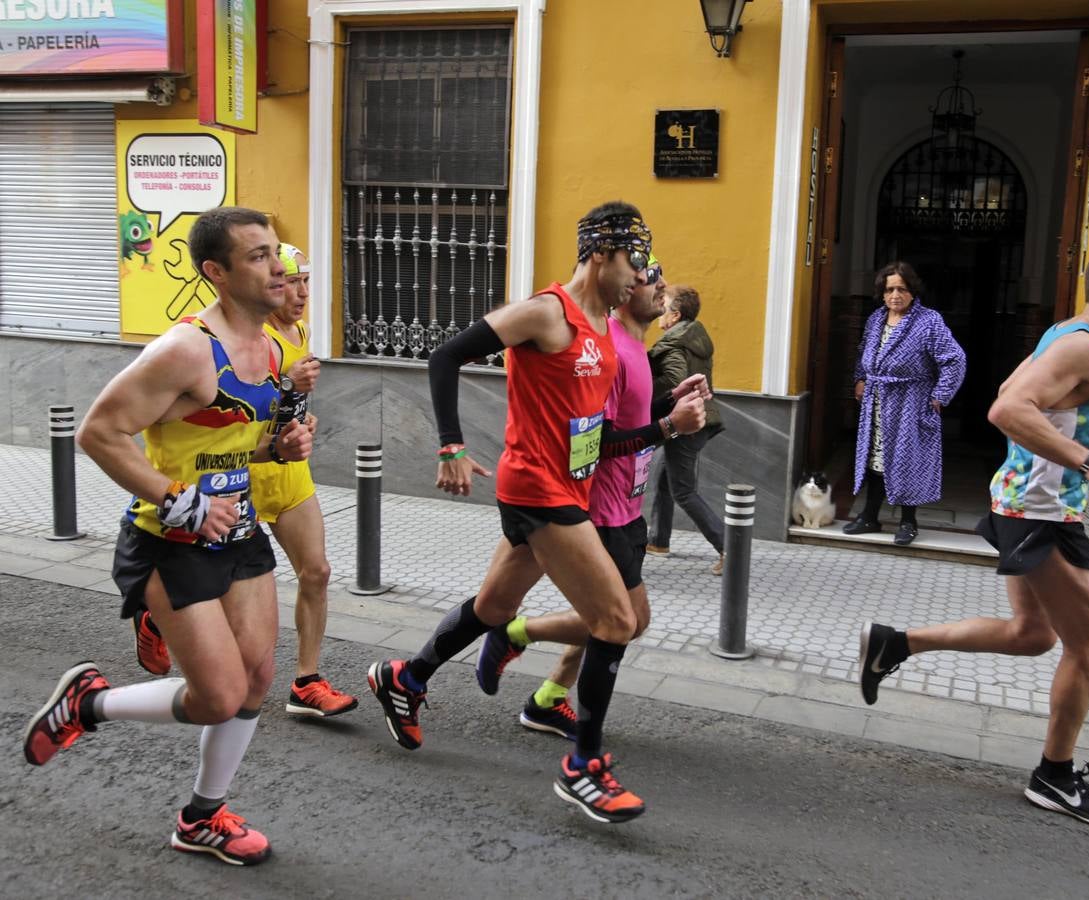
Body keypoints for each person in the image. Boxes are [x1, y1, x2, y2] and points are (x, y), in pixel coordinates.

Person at [367, 201, 683, 824]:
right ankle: (583, 768)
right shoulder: (548, 312)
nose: (639, 275)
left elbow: (591, 431)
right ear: (599, 254)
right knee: (617, 621)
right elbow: (445, 356)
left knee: (493, 609)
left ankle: (404, 678)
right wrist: (451, 444)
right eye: (633, 260)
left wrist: (665, 420)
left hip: (567, 488)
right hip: (538, 490)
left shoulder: (602, 330)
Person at [23, 206, 313, 866]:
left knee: (257, 677)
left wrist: (281, 446)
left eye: (277, 252)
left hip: (236, 530)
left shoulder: (270, 348)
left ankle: (201, 818)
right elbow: (98, 432)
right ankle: (88, 703)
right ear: (217, 272)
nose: (278, 266)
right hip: (169, 538)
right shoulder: (185, 349)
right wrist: (176, 500)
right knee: (216, 696)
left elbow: (232, 441)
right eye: (259, 257)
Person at [858, 242, 1089, 827]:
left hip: (1025, 502)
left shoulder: (1070, 335)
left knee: (1032, 635)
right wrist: (1087, 462)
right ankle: (1055, 776)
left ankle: (895, 643)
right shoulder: (1081, 346)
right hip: (1042, 511)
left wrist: (1088, 443)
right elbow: (1005, 409)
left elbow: (1033, 407)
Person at [469, 255, 707, 740]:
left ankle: (547, 697)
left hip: (625, 503)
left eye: (660, 275)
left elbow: (630, 416)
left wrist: (669, 402)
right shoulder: (610, 346)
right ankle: (581, 752)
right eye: (648, 276)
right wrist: (668, 425)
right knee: (622, 620)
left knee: (612, 618)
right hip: (595, 506)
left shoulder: (638, 347)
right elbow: (594, 439)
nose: (659, 285)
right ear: (622, 289)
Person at [133, 244, 356, 719]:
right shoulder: (218, 342)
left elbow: (280, 415)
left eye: (303, 281)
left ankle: (306, 681)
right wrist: (286, 387)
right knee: (219, 599)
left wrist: (300, 420)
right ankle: (162, 612)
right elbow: (228, 410)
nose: (297, 293)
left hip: (286, 473)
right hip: (236, 478)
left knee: (316, 572)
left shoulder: (299, 333)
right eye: (288, 280)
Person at [843, 262, 966, 545]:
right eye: (889, 290)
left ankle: (908, 522)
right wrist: (860, 378)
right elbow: (864, 350)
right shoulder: (876, 319)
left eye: (901, 288)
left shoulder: (928, 321)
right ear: (882, 293)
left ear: (912, 291)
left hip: (910, 402)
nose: (895, 295)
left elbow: (954, 359)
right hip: (876, 400)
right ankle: (869, 515)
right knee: (876, 457)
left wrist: (939, 396)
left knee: (907, 460)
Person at [644, 285, 727, 575]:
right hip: (699, 417)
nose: (659, 311)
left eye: (663, 305)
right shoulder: (694, 336)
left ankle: (730, 548)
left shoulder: (675, 343)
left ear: (675, 314)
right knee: (665, 479)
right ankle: (658, 541)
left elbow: (674, 380)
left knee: (683, 490)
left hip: (686, 421)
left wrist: (646, 393)